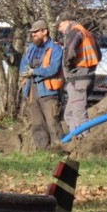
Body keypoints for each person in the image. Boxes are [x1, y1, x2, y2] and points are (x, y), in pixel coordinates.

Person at [19, 19, 64, 149]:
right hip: (32, 90)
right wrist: (24, 75)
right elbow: (23, 66)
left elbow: (53, 69)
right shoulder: (30, 48)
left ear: (45, 31)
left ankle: (58, 148)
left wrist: (34, 71)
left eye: (36, 32)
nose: (33, 35)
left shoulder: (55, 48)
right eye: (32, 33)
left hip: (48, 90)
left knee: (52, 122)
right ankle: (42, 150)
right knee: (37, 124)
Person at [56, 11, 102, 137]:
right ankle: (77, 141)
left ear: (67, 21)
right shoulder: (87, 33)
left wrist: (68, 67)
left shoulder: (74, 32)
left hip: (78, 80)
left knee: (80, 116)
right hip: (87, 78)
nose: (59, 29)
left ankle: (87, 146)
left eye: (59, 25)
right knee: (69, 114)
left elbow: (70, 52)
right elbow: (99, 55)